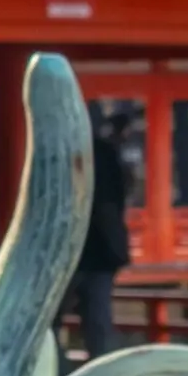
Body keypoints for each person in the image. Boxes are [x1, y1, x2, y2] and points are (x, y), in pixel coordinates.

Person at [69, 102, 139, 357]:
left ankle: (59, 371)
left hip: (80, 250)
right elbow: (119, 197)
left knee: (48, 321)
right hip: (102, 251)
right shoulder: (107, 154)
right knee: (98, 320)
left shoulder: (72, 153)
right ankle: (101, 367)